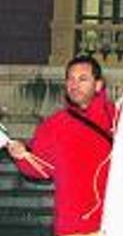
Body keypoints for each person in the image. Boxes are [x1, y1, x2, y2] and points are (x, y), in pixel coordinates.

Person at [4, 55, 116, 236]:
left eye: (82, 79)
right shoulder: (54, 124)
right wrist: (21, 155)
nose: (74, 84)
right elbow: (40, 168)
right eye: (70, 79)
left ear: (98, 85)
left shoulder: (119, 117)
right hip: (71, 226)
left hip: (114, 225)